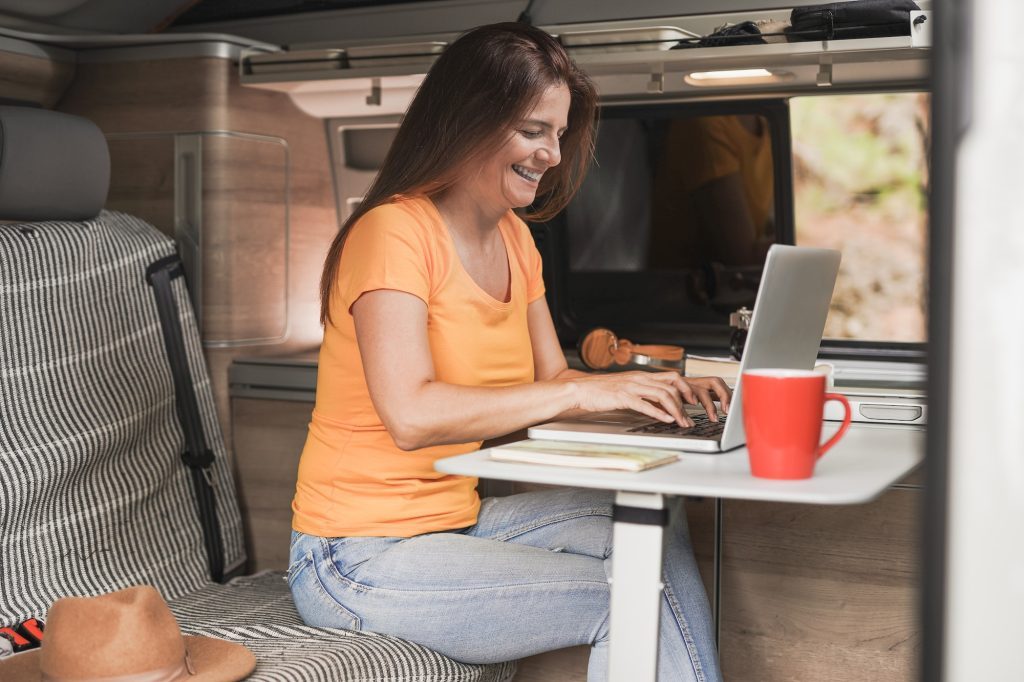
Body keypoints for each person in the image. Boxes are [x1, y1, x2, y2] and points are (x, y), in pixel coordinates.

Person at [288, 22, 731, 682]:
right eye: (534, 131)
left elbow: (552, 385)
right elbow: (410, 415)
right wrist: (583, 389)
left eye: (558, 133)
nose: (552, 153)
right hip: (354, 554)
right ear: (471, 120)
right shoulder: (393, 232)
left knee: (651, 531)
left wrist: (650, 392)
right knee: (629, 597)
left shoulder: (516, 240)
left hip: (452, 523)